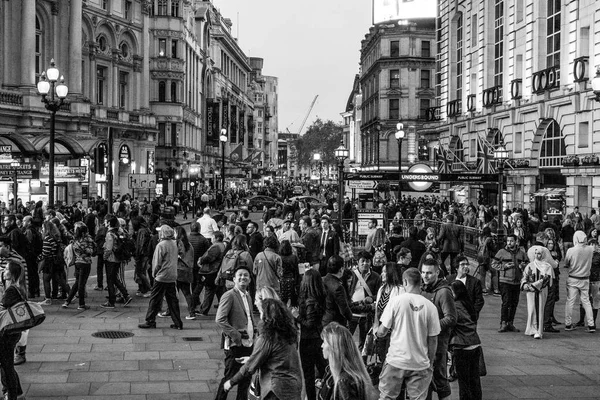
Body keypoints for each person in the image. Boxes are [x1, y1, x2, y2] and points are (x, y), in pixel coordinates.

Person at [376, 267, 441, 400]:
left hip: (396, 361)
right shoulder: (430, 307)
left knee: (387, 397)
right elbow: (433, 340)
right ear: (420, 282)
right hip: (420, 364)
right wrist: (430, 362)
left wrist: (376, 329)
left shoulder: (395, 302)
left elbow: (382, 332)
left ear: (405, 282)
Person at [223, 299, 303, 400]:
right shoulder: (289, 334)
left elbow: (249, 367)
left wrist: (231, 382)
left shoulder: (267, 337)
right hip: (293, 386)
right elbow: (278, 356)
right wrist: (250, 358)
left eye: (261, 312)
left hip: (275, 389)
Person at [215, 264, 257, 400]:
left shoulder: (248, 296)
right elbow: (220, 319)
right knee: (229, 378)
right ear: (234, 279)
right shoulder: (229, 296)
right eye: (240, 275)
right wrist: (237, 336)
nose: (243, 277)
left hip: (249, 343)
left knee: (245, 381)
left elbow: (249, 317)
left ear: (250, 279)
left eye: (246, 275)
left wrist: (254, 331)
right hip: (235, 345)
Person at [420, 259, 457, 400]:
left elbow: (451, 318)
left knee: (440, 378)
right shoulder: (422, 289)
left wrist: (431, 327)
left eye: (429, 273)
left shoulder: (443, 292)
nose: (425, 276)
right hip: (424, 342)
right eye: (423, 272)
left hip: (439, 342)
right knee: (425, 379)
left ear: (437, 272)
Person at [138, 225, 183, 330]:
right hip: (172, 275)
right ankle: (178, 323)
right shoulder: (174, 243)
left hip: (162, 276)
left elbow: (157, 263)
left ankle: (150, 320)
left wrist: (154, 274)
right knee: (172, 300)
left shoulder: (161, 245)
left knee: (154, 299)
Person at [292, 269, 327, 400]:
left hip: (308, 340)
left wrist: (296, 316)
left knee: (309, 375)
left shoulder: (309, 301)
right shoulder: (319, 297)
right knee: (323, 369)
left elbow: (309, 323)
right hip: (318, 337)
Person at [319, 322, 377, 400]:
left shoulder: (344, 382)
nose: (321, 346)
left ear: (334, 348)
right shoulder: (334, 371)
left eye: (324, 342)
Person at [449, 280, 482, 400]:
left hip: (462, 346)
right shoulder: (468, 304)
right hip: (475, 344)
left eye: (451, 291)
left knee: (464, 383)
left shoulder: (455, 306)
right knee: (474, 381)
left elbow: (452, 324)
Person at [491, 234, 528, 333]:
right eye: (508, 241)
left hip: (516, 281)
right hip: (505, 281)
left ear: (516, 242)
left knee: (514, 303)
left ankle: (510, 322)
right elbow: (493, 264)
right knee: (506, 302)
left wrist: (523, 266)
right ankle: (503, 322)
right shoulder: (501, 252)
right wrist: (504, 266)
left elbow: (527, 264)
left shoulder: (521, 253)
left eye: (511, 241)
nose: (509, 243)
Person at [0, 261, 25, 399]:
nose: (4, 271)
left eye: (6, 269)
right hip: (12, 332)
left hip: (7, 333)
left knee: (6, 367)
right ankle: (17, 393)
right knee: (6, 365)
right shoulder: (16, 288)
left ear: (13, 273)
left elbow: (2, 308)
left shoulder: (11, 290)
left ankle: (12, 395)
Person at [347, 251, 380, 350]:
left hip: (366, 315)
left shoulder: (376, 276)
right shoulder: (351, 275)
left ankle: (363, 363)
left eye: (368, 261)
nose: (365, 263)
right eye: (363, 261)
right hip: (352, 314)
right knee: (346, 340)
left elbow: (379, 294)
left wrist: (372, 298)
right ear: (358, 262)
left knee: (365, 342)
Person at [372, 262, 405, 364]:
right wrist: (375, 328)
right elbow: (377, 310)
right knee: (382, 359)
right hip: (381, 331)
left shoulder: (400, 290)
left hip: (394, 333)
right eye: (382, 272)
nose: (382, 274)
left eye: (385, 272)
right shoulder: (382, 289)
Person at [564, 230, 595, 332]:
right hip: (585, 278)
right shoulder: (590, 249)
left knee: (570, 301)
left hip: (573, 277)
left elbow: (566, 263)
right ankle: (591, 325)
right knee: (586, 301)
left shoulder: (571, 250)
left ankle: (568, 324)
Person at [521, 247, 554, 339]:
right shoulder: (530, 265)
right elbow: (525, 276)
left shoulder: (547, 266)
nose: (537, 255)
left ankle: (539, 331)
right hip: (530, 291)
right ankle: (532, 329)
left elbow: (546, 280)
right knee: (531, 309)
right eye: (535, 253)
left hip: (541, 291)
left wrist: (534, 285)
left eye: (539, 253)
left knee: (539, 309)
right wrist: (525, 285)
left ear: (542, 254)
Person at [62, 222, 96, 310]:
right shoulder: (87, 240)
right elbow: (91, 251)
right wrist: (86, 251)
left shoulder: (75, 240)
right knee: (81, 284)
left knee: (77, 283)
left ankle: (67, 301)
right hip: (85, 263)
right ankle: (81, 304)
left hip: (77, 262)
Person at [102, 215, 132, 309]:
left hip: (111, 259)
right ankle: (126, 295)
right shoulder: (118, 231)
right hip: (118, 258)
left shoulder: (109, 234)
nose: (105, 222)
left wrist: (104, 257)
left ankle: (111, 301)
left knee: (110, 280)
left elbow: (109, 248)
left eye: (106, 221)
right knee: (115, 278)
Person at [197, 231, 227, 317]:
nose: (211, 239)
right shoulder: (223, 245)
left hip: (212, 271)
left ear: (217, 238)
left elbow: (209, 257)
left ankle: (204, 310)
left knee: (209, 290)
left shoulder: (216, 247)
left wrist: (201, 260)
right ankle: (225, 309)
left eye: (213, 237)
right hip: (217, 270)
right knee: (219, 291)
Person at [446, 255, 484, 321]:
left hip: (468, 316)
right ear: (456, 267)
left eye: (467, 264)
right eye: (463, 264)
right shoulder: (449, 279)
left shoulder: (475, 282)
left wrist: (473, 313)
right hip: (452, 315)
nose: (466, 266)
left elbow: (479, 300)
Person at [322, 255, 353, 328]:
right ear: (341, 269)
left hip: (322, 320)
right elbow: (344, 310)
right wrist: (350, 317)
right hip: (335, 323)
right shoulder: (338, 287)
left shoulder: (321, 280)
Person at [477, 226, 498, 296]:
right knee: (494, 273)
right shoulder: (489, 239)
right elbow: (493, 248)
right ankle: (496, 289)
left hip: (481, 258)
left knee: (482, 274)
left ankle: (483, 289)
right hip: (489, 258)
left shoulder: (480, 238)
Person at [279, 240, 300, 307]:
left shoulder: (279, 257)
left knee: (282, 300)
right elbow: (296, 271)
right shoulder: (293, 257)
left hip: (281, 280)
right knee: (292, 301)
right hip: (291, 280)